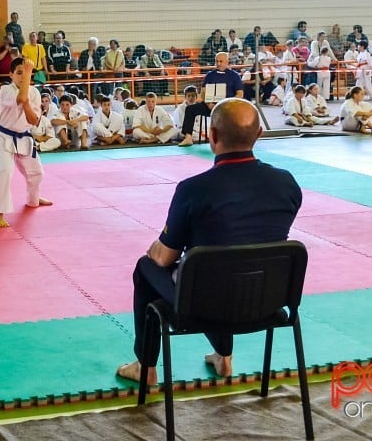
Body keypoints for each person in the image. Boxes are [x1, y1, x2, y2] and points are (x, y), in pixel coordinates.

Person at [117, 99, 301, 386]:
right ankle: (223, 356)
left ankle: (146, 365)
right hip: (269, 301)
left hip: (202, 304)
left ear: (211, 136)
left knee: (146, 267)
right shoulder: (287, 183)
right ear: (258, 135)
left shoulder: (193, 190)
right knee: (235, 262)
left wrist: (156, 249)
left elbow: (164, 258)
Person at [0, 57, 52, 228]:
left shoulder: (35, 93)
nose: (23, 77)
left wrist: (26, 103)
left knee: (37, 172)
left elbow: (33, 120)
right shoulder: (5, 89)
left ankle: (34, 199)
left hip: (23, 137)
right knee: (6, 170)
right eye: (19, 73)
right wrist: (29, 71)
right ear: (10, 74)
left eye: (25, 73)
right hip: (3, 137)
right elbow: (20, 97)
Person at [178, 52, 244, 146]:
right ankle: (188, 137)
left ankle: (231, 139)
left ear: (227, 62)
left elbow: (240, 94)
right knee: (190, 109)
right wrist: (209, 104)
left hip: (227, 107)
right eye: (217, 61)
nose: (219, 63)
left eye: (221, 61)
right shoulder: (210, 75)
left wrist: (227, 104)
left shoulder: (234, 76)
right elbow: (203, 92)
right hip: (210, 105)